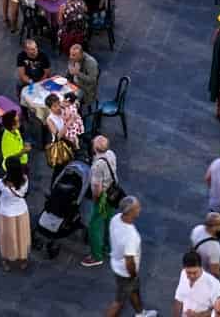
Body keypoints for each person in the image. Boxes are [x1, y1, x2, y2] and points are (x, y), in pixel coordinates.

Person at [105, 197, 154, 317]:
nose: (140, 209)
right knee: (118, 302)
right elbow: (129, 262)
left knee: (133, 291)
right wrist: (133, 275)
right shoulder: (131, 236)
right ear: (130, 212)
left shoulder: (115, 219)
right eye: (138, 207)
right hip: (126, 273)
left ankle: (140, 313)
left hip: (116, 264)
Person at [83, 134, 120, 266]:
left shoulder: (97, 165)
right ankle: (108, 247)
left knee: (94, 225)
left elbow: (97, 188)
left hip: (103, 196)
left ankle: (96, 256)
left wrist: (95, 199)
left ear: (95, 148)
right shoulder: (111, 154)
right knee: (108, 220)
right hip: (113, 192)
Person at [0, 157, 31, 271]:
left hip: (6, 212)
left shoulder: (2, 183)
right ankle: (23, 260)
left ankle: (6, 261)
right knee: (22, 236)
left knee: (7, 237)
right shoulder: (25, 179)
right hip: (21, 210)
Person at [173, 248, 220, 317]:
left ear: (201, 267)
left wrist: (198, 315)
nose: (192, 276)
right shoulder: (183, 274)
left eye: (195, 272)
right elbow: (178, 298)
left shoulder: (213, 284)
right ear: (184, 268)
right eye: (189, 272)